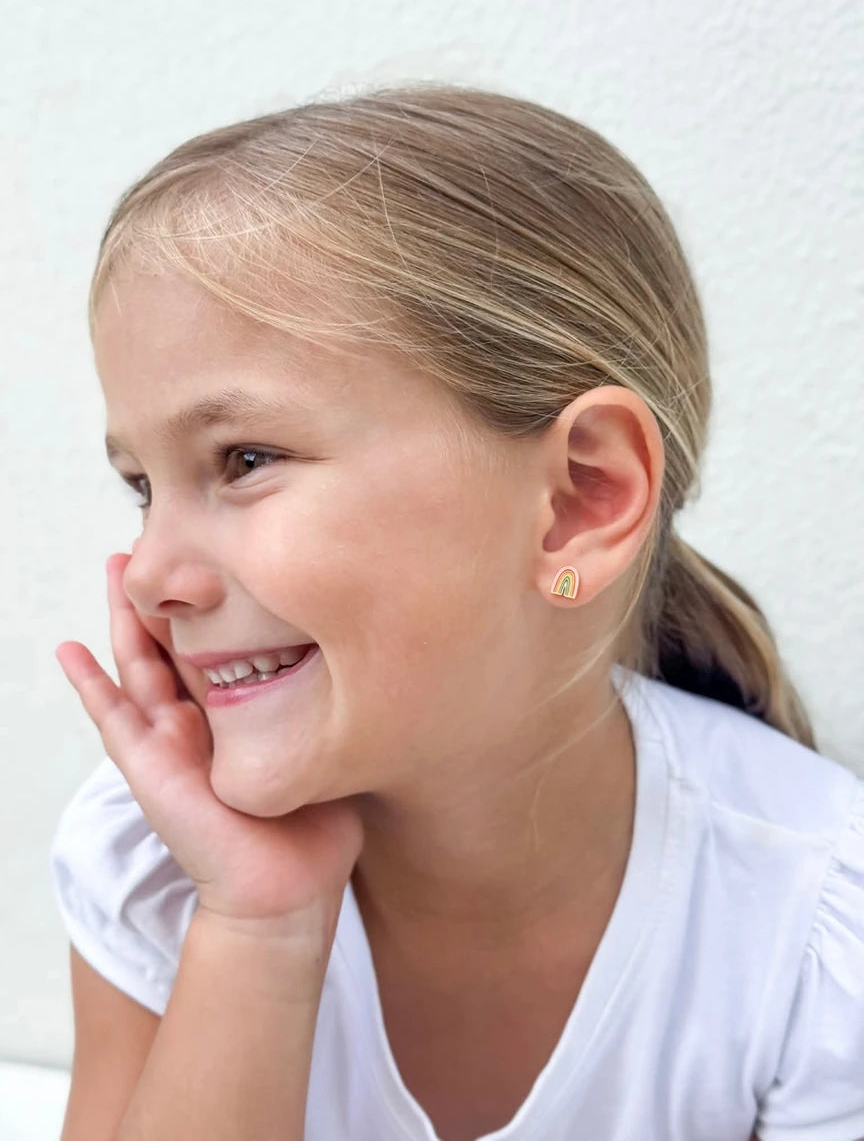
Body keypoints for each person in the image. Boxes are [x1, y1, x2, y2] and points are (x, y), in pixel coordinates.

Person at [49, 84, 863, 1141]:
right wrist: (257, 925)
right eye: (143, 485)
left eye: (245, 461)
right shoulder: (153, 862)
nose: (153, 572)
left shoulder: (811, 927)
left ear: (580, 498)